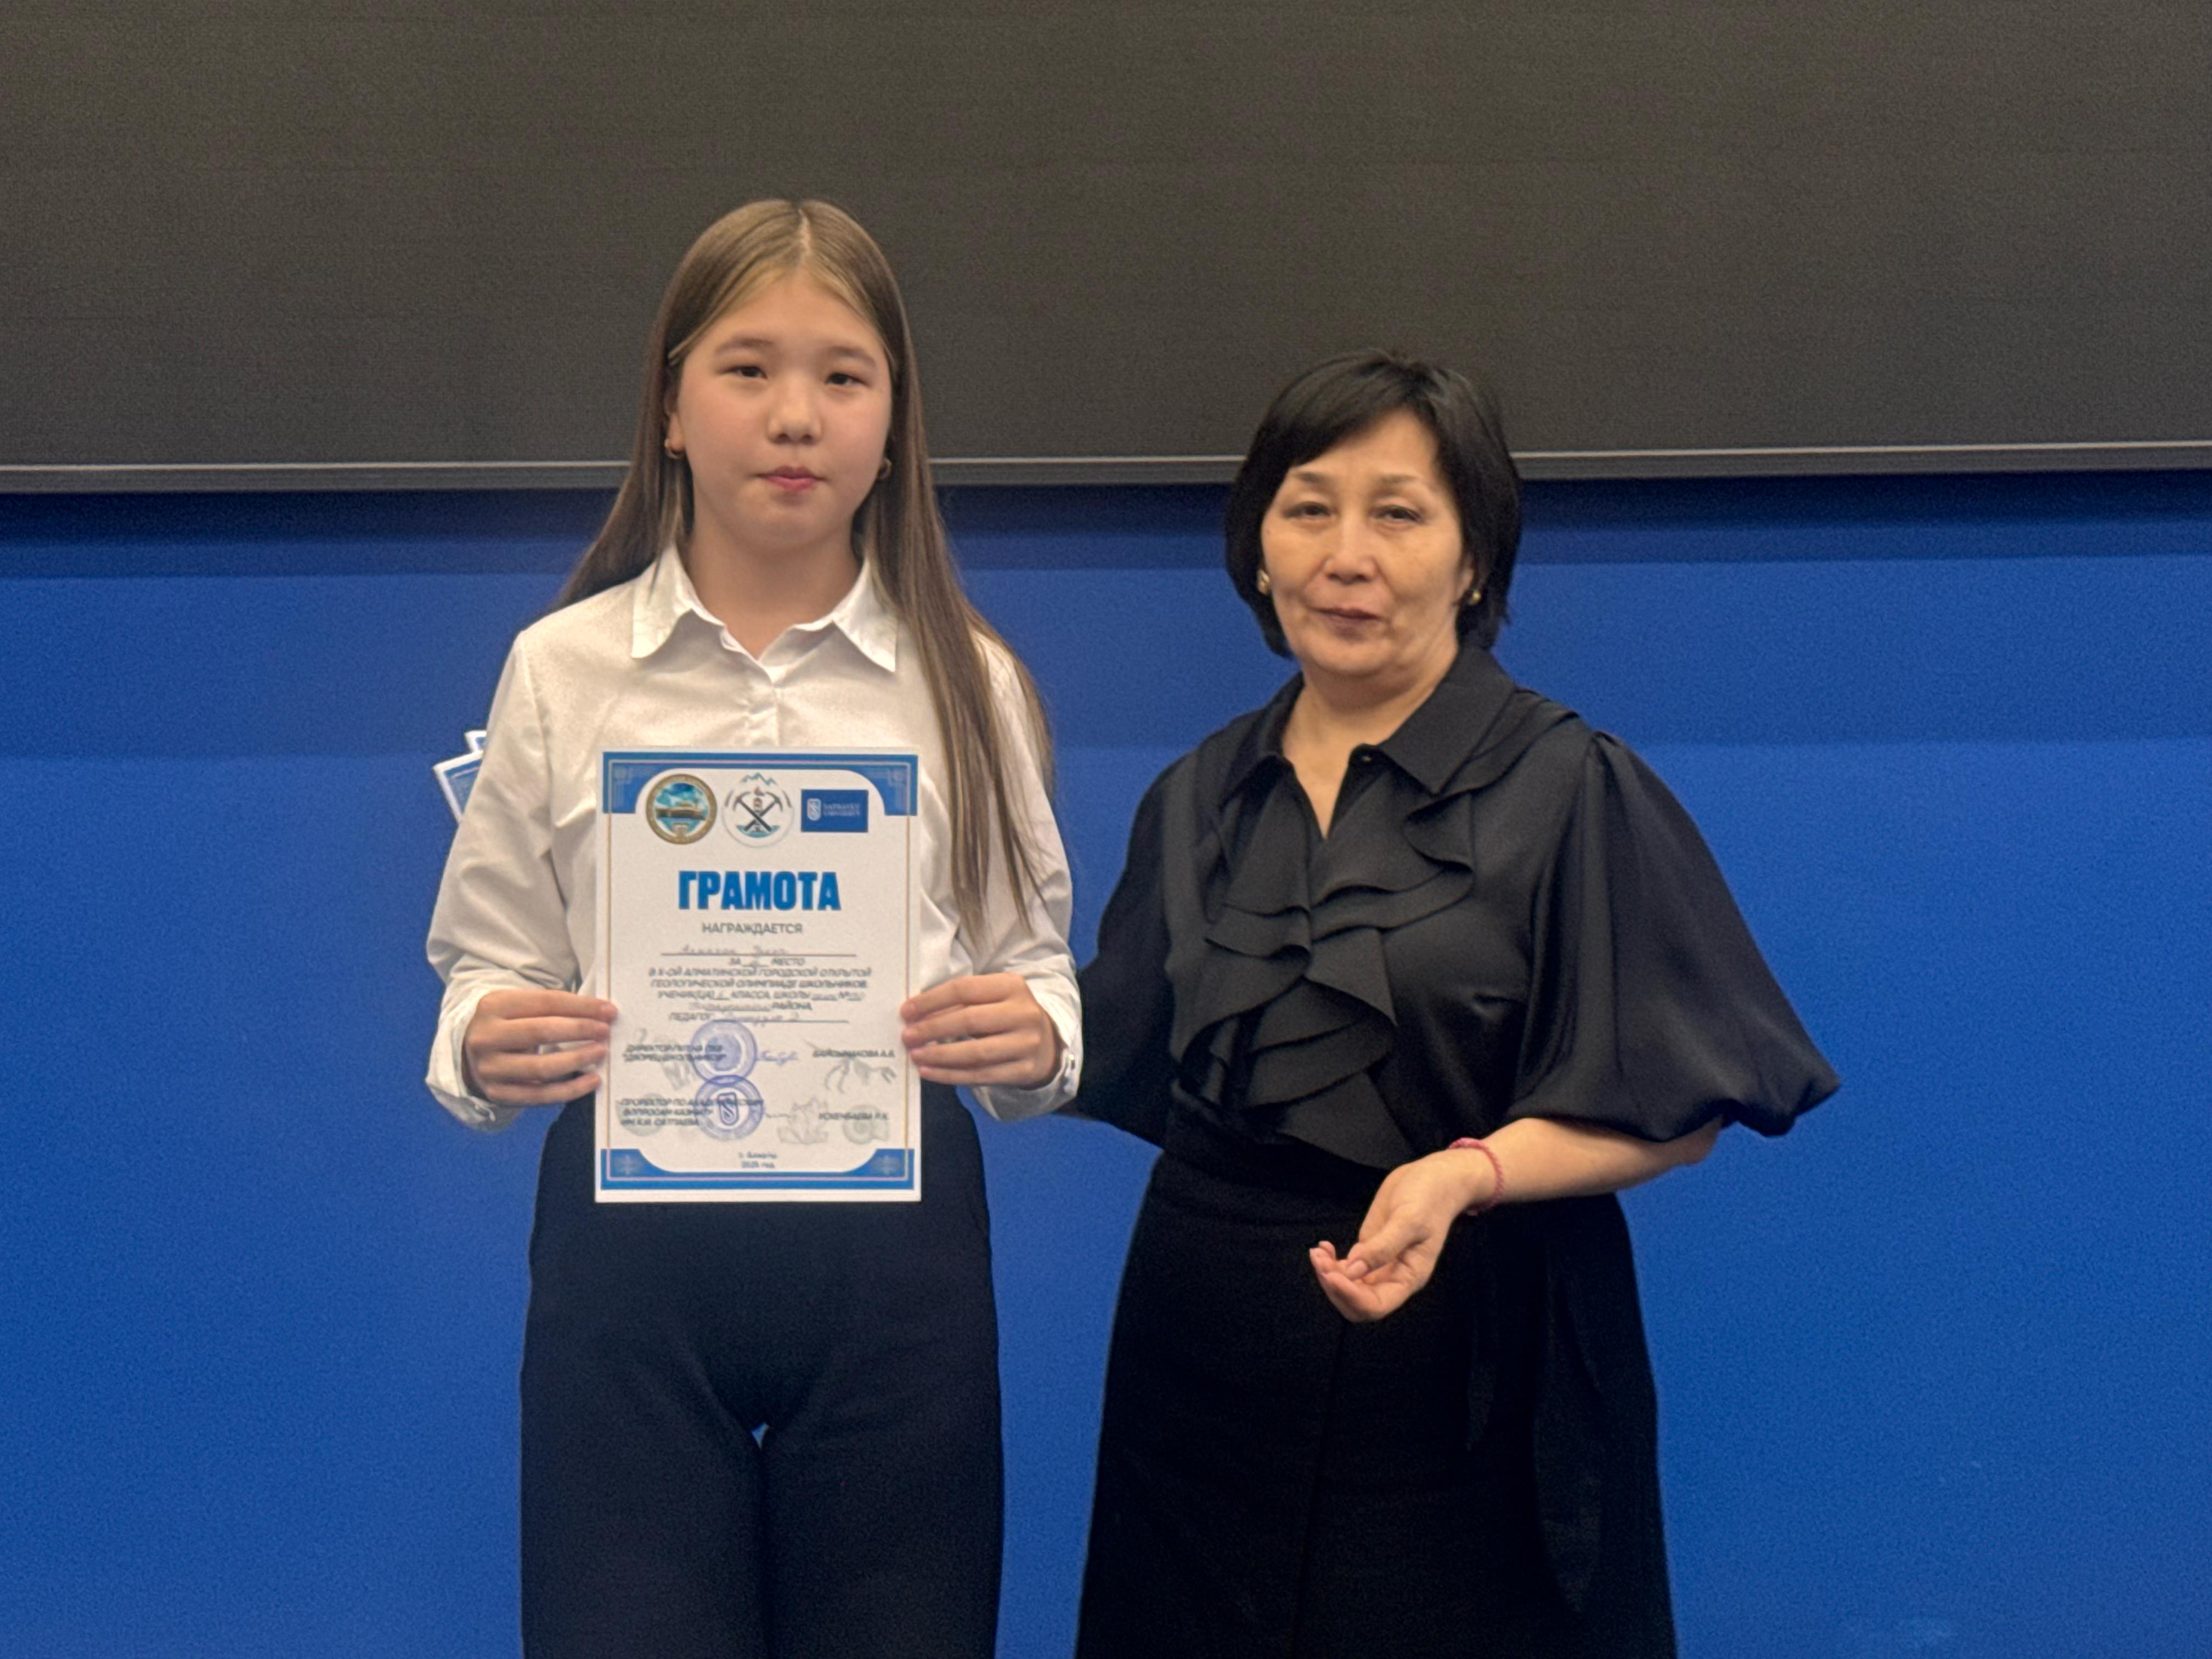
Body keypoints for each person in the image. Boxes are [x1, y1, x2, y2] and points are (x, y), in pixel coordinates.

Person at [1071, 351, 1838, 1658]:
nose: (1346, 556)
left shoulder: (1572, 784)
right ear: (1257, 545)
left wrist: (1466, 1174)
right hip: (1201, 1378)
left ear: (1475, 558)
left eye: (1398, 513)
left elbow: (1683, 1108)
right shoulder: (1196, 796)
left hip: (1474, 1371)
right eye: (1308, 509)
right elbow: (1124, 1055)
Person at [424, 200, 1080, 1659]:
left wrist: (1036, 1037)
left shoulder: (971, 681)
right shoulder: (562, 670)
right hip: (632, 1268)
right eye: (747, 369)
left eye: (844, 376)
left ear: (895, 423)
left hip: (896, 1269)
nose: (796, 417)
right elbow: (488, 962)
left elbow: (1035, 971)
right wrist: (485, 1040)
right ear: (669, 408)